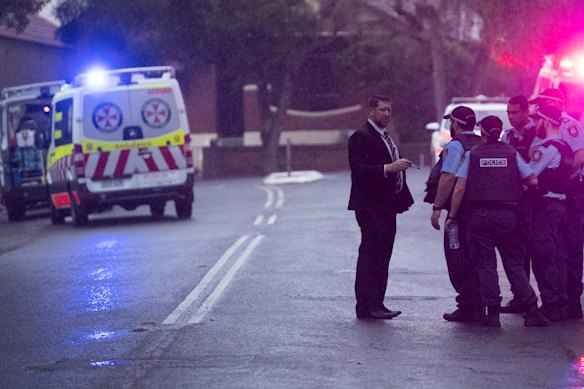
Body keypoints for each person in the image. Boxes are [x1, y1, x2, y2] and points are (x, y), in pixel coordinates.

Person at [445, 115, 548, 327]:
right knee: (513, 264)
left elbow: (460, 186)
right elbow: (532, 179)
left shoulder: (473, 154)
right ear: (500, 131)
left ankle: (492, 314)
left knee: (486, 265)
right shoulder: (510, 153)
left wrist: (452, 215)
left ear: (481, 133)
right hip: (507, 216)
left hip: (479, 217)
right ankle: (531, 309)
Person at [348, 95, 415, 320]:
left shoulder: (385, 136)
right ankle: (366, 306)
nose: (387, 114)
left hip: (387, 206)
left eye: (389, 110)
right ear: (371, 111)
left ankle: (378, 302)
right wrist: (389, 167)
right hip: (370, 207)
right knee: (370, 255)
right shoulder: (361, 136)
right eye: (382, 110)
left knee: (383, 255)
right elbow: (359, 171)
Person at [530, 88, 584, 319]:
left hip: (568, 195)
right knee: (559, 249)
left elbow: (579, 157)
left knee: (568, 248)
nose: (536, 109)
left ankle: (569, 300)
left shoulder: (567, 125)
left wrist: (560, 180)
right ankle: (563, 299)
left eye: (540, 104)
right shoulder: (543, 130)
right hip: (560, 197)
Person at [428, 106, 482, 322]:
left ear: (456, 124)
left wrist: (438, 208)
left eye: (451, 122)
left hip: (460, 213)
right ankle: (482, 303)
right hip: (482, 211)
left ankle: (468, 306)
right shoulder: (482, 143)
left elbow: (448, 178)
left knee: (459, 258)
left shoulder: (455, 146)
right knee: (480, 258)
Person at [525, 105, 573, 321]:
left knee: (543, 257)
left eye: (537, 121)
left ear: (545, 121)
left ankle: (551, 304)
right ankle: (562, 302)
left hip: (545, 208)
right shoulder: (566, 149)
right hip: (562, 208)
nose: (535, 125)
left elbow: (528, 174)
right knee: (559, 257)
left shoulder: (547, 149)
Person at [499, 95, 537, 313]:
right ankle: (520, 296)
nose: (511, 117)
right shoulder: (508, 136)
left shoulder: (538, 133)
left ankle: (552, 300)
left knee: (539, 251)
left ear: (526, 112)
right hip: (514, 202)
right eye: (509, 113)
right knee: (517, 251)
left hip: (536, 200)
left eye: (515, 112)